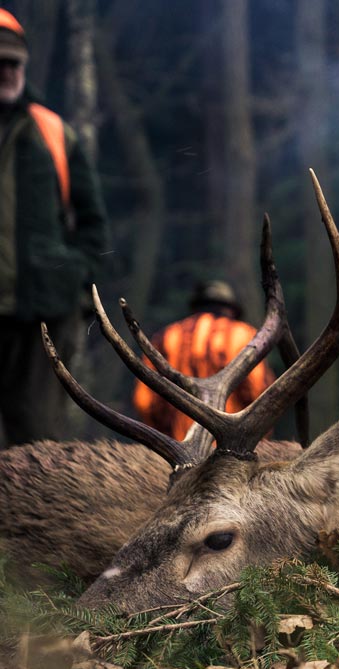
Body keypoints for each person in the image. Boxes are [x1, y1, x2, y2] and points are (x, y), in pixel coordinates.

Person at [0, 10, 109, 446]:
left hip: (43, 314)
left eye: (13, 63)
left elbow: (93, 223)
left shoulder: (53, 132)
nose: (6, 72)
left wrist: (76, 280)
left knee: (36, 442)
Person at [133, 280, 275, 440]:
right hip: (230, 445)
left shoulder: (166, 337)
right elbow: (258, 391)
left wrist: (163, 435)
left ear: (196, 307)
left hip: (177, 445)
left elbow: (145, 402)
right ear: (231, 309)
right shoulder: (244, 335)